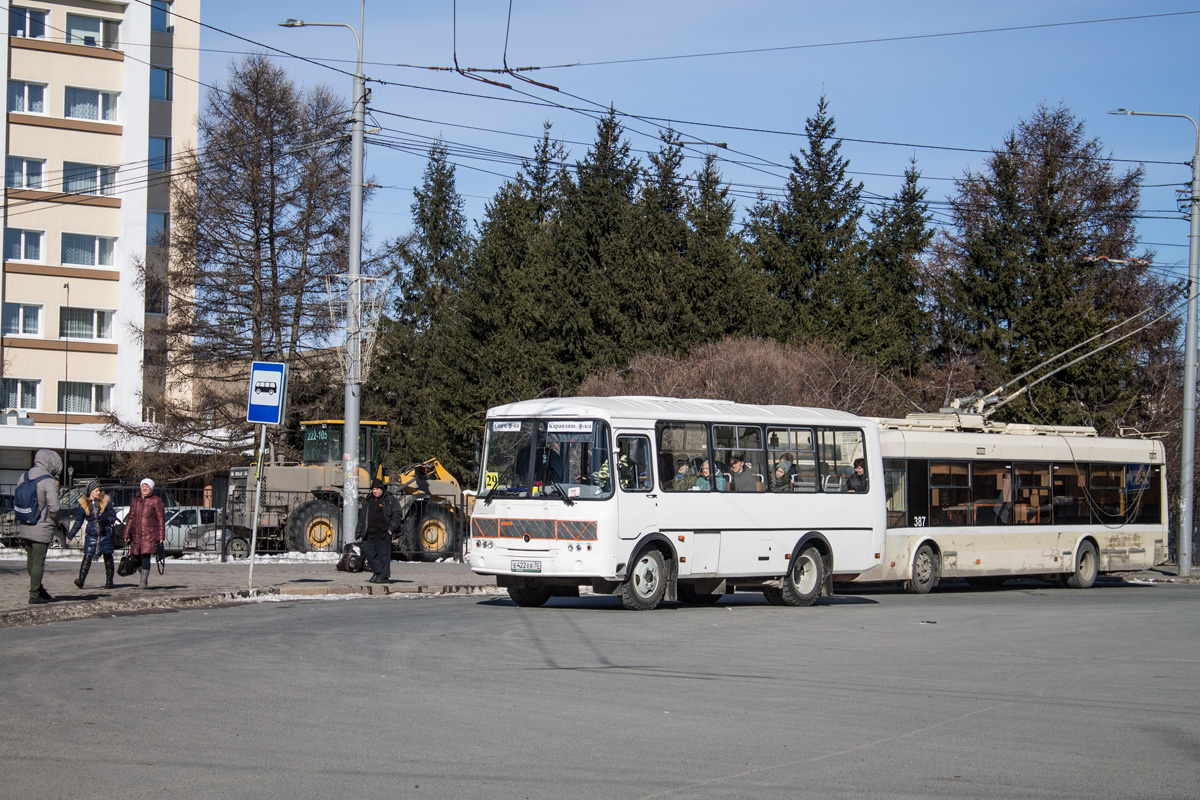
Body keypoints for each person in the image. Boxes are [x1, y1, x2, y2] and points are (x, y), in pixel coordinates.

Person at [17, 449, 62, 605]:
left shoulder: (24, 476)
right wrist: (52, 520)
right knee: (38, 561)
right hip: (41, 526)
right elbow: (54, 507)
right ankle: (35, 593)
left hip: (25, 522)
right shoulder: (48, 480)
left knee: (31, 559)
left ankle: (39, 589)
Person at [68, 479, 118, 589]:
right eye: (96, 490)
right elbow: (78, 521)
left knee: (108, 557)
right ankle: (81, 580)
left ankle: (109, 581)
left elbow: (113, 516)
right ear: (90, 491)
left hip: (105, 533)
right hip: (92, 533)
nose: (98, 493)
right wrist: (70, 535)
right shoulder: (84, 504)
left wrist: (107, 521)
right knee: (87, 555)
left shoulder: (105, 502)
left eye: (99, 490)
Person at [357, 478, 401, 584]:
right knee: (368, 553)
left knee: (384, 556)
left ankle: (384, 576)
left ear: (381, 489)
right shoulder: (368, 500)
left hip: (383, 532)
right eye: (373, 489)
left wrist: (391, 529)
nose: (375, 491)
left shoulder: (389, 499)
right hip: (370, 533)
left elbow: (397, 514)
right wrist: (359, 530)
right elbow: (363, 517)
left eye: (377, 489)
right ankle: (377, 571)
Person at [124, 478, 165, 590]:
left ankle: (143, 581)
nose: (145, 488)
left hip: (149, 534)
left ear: (151, 488)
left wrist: (161, 536)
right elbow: (131, 518)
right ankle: (143, 573)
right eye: (143, 486)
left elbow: (161, 519)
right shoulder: (135, 500)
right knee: (135, 557)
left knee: (146, 556)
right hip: (136, 534)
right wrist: (126, 533)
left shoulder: (156, 500)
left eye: (147, 486)